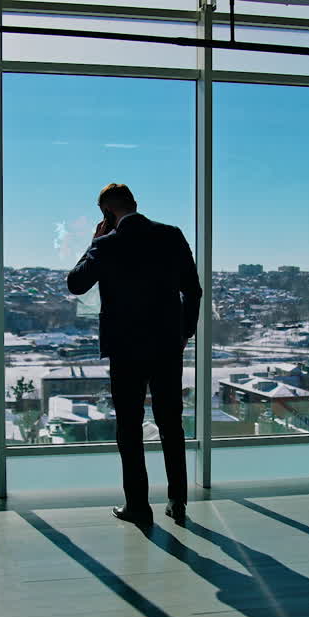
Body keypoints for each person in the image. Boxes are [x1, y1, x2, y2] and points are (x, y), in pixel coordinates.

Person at [67, 184, 202, 525]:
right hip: (167, 346)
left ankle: (138, 506)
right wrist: (184, 333)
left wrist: (93, 243)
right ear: (134, 204)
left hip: (126, 349)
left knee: (129, 427)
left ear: (107, 214)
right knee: (171, 423)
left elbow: (76, 284)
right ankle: (178, 500)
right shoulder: (171, 235)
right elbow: (193, 291)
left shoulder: (107, 244)